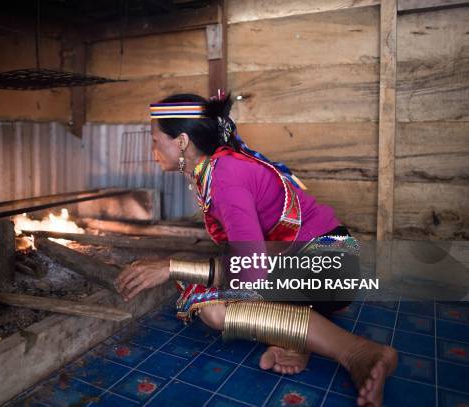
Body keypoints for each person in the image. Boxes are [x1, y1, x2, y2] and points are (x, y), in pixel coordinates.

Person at [114, 93, 397, 407]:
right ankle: (293, 337)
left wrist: (172, 266)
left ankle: (359, 352)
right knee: (218, 288)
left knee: (213, 310)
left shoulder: (225, 178)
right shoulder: (215, 167)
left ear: (181, 141)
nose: (152, 149)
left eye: (155, 140)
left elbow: (250, 269)